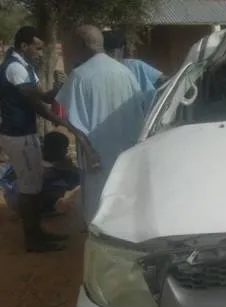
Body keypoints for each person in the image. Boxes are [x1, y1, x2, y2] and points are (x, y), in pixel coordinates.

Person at [0, 26, 95, 252]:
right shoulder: (15, 68)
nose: (40, 53)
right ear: (24, 46)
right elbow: (38, 104)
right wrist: (70, 127)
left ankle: (37, 234)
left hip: (25, 133)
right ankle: (33, 240)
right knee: (29, 189)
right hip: (18, 135)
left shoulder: (24, 67)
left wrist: (61, 87)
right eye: (37, 48)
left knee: (33, 186)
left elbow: (43, 96)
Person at [55, 25, 146, 225]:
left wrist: (89, 153)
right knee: (123, 204)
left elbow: (71, 120)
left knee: (97, 207)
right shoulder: (125, 73)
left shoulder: (80, 76)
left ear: (82, 44)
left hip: (96, 155)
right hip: (126, 154)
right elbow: (140, 111)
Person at [102, 30, 168, 113]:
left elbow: (164, 80)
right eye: (106, 52)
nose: (108, 56)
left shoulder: (136, 66)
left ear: (122, 50)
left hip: (149, 116)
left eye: (111, 52)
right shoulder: (102, 74)